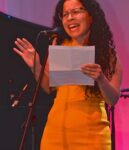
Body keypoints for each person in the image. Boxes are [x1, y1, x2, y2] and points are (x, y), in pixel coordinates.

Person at [13, 0, 122, 149]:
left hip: (92, 135)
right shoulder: (58, 43)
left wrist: (101, 79)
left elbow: (113, 99)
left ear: (91, 16)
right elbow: (48, 87)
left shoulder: (106, 53)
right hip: (56, 131)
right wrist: (36, 65)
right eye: (65, 14)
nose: (70, 18)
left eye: (76, 12)